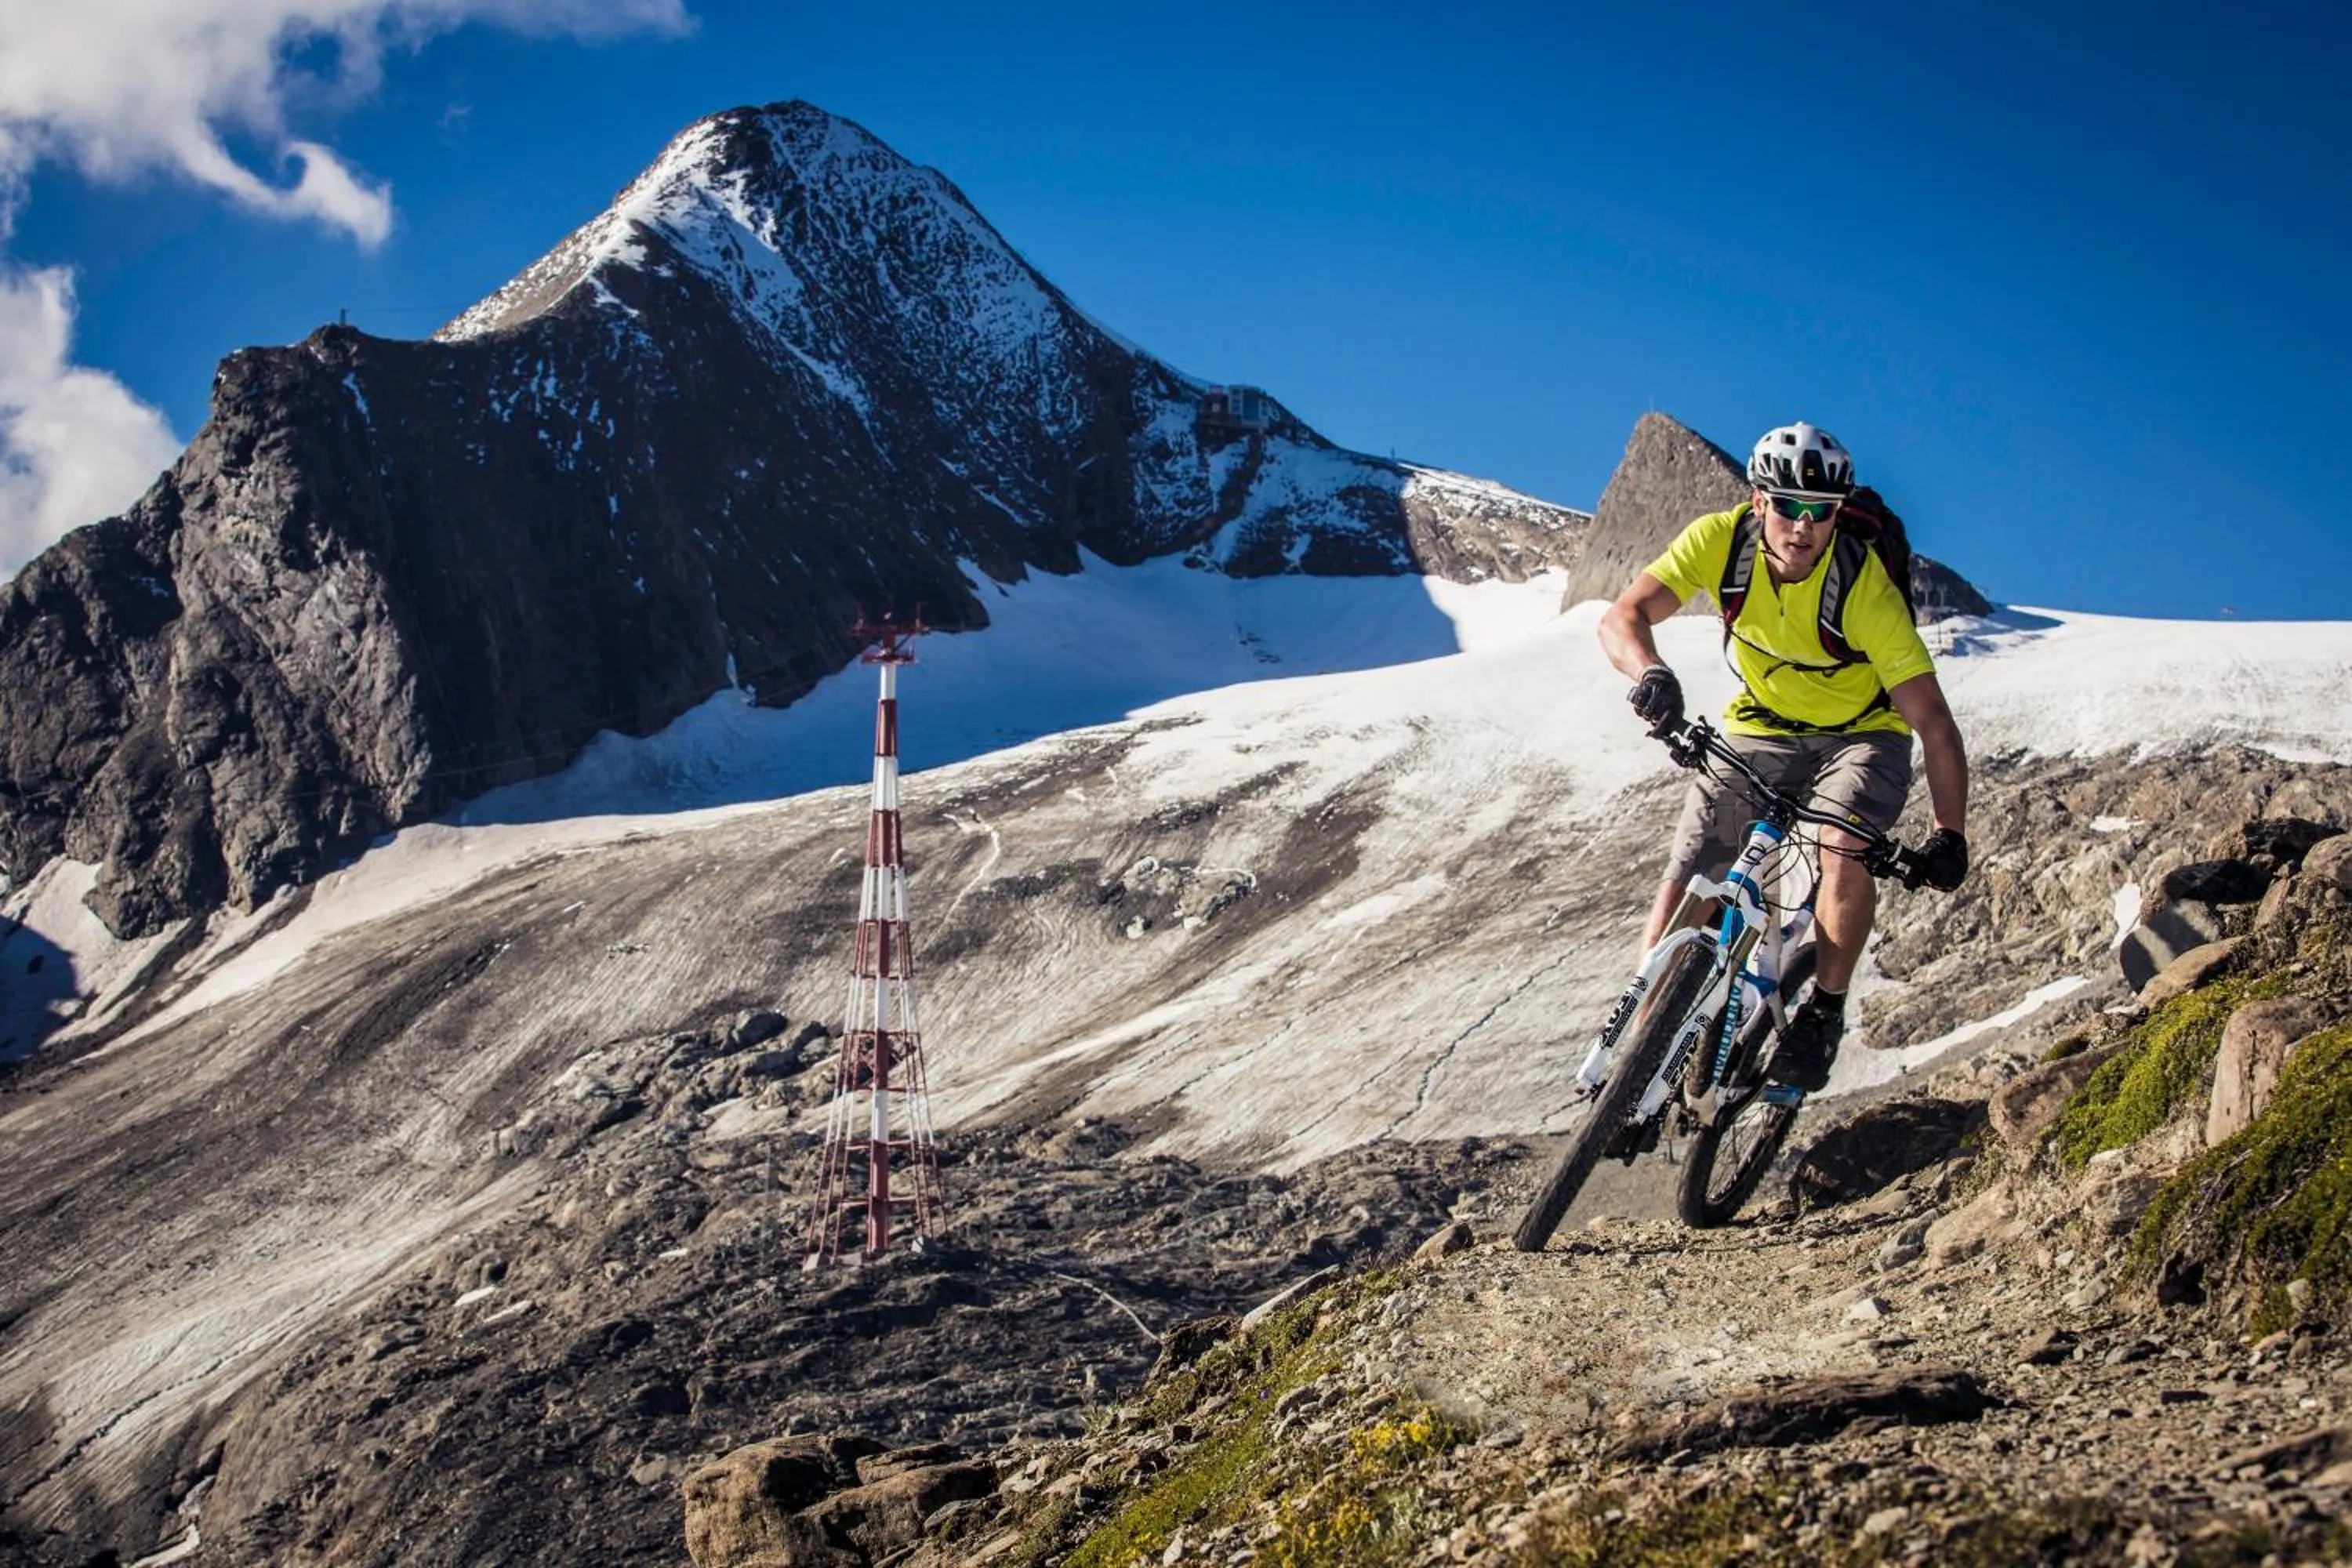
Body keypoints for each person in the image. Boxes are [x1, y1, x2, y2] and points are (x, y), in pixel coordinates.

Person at [1596, 422, 1971, 1092]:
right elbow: (1623, 616)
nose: (1803, 526)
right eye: (1790, 506)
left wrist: (1950, 834)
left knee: (1843, 844)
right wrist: (1650, 671)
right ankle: (1641, 1053)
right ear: (1759, 500)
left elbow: (1934, 723)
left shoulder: (1862, 588)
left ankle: (1822, 1012)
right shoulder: (1720, 542)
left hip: (1863, 733)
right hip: (1763, 725)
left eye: (1821, 512)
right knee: (1696, 866)